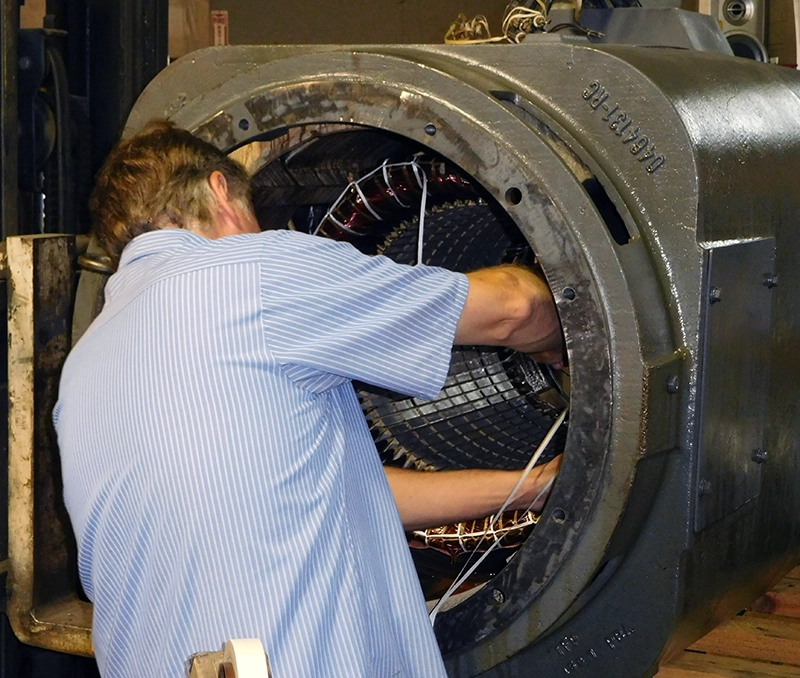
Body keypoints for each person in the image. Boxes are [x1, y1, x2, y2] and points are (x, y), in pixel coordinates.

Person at [54, 120, 564, 678]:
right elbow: (519, 308)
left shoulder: (84, 366)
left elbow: (330, 494)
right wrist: (563, 336)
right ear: (221, 190)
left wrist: (529, 488)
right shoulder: (256, 272)